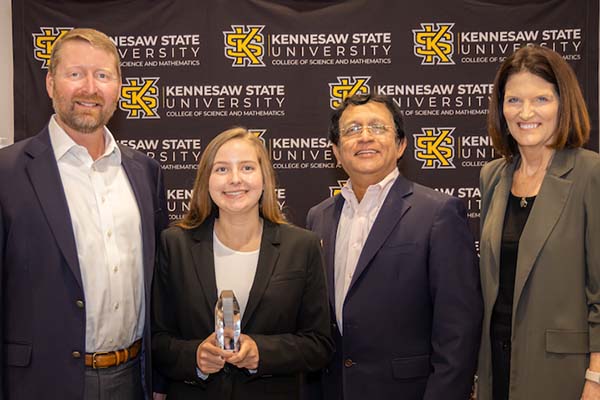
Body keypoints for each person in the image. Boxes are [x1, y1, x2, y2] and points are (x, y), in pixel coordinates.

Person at [0, 28, 168, 399]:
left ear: (119, 88)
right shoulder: (7, 173)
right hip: (39, 384)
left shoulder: (145, 172)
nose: (90, 88)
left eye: (103, 76)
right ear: (49, 83)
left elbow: (159, 287)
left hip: (132, 379)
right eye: (75, 74)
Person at [306, 93, 482, 400]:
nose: (364, 137)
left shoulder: (438, 213)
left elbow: (458, 330)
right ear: (336, 151)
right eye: (352, 130)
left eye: (377, 127)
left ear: (401, 145)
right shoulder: (318, 217)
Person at [151, 127, 333, 399]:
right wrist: (195, 357)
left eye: (247, 168)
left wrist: (261, 352)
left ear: (264, 178)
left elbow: (319, 344)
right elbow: (156, 340)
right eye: (222, 169)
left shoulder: (302, 246)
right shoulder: (174, 245)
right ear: (206, 180)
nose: (235, 179)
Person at [478, 45, 600, 399]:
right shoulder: (492, 176)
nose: (526, 112)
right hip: (497, 365)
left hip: (564, 372)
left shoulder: (591, 173)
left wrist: (596, 378)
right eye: (514, 100)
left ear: (564, 104)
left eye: (541, 99)